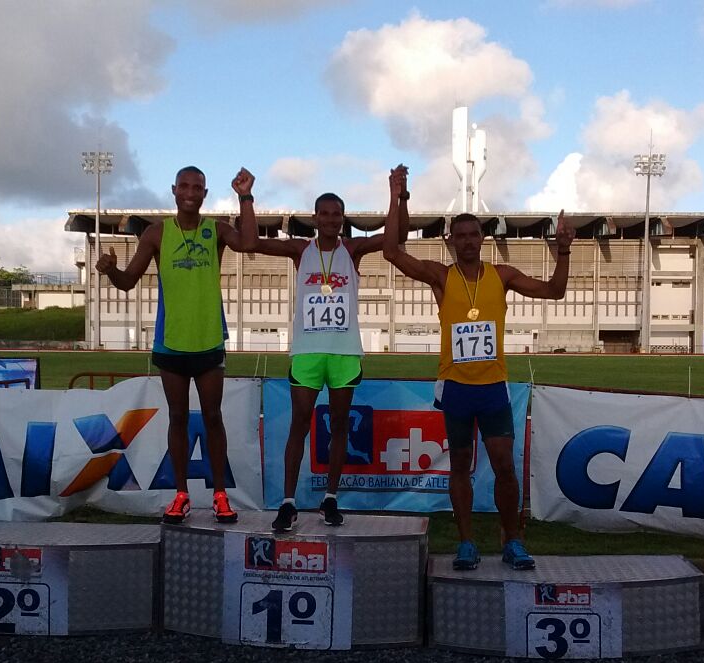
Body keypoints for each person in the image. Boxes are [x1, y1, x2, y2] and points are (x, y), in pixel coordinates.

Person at [382, 165, 574, 571]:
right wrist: (399, 197)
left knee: (504, 465)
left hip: (492, 387)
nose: (467, 242)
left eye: (474, 235)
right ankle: (466, 543)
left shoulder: (501, 277)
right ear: (450, 241)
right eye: (460, 236)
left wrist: (565, 250)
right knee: (459, 467)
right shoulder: (441, 277)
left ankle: (513, 542)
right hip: (456, 387)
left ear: (482, 240)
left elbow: (555, 291)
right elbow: (392, 252)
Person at [236, 172, 407, 533]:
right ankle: (288, 503)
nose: (331, 219)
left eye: (337, 214)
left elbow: (396, 238)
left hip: (343, 352)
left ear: (343, 219)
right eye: (325, 213)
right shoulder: (301, 250)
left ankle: (330, 497)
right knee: (300, 423)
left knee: (340, 425)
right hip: (308, 352)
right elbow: (250, 243)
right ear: (315, 218)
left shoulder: (353, 250)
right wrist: (246, 198)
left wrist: (396, 196)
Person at [95, 166, 260, 524]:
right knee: (178, 418)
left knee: (214, 418)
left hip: (208, 340)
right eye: (183, 186)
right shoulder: (156, 234)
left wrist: (245, 197)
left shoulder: (215, 230)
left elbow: (249, 244)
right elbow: (127, 283)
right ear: (173, 190)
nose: (189, 192)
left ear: (204, 193)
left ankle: (220, 495)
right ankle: (181, 495)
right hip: (170, 343)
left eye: (197, 187)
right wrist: (109, 269)